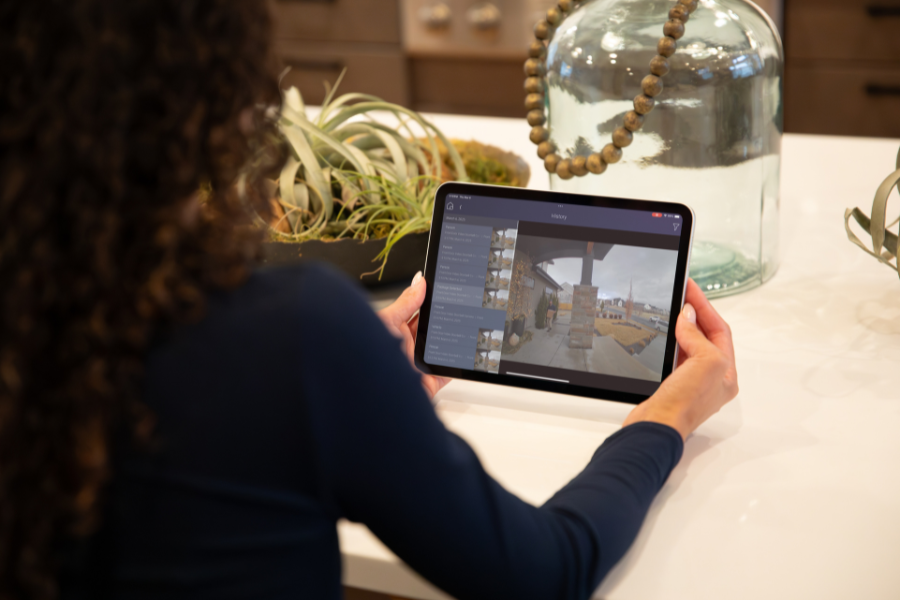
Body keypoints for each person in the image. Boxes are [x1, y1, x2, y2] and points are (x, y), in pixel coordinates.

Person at [0, 2, 738, 600]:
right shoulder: (290, 335)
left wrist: (351, 380)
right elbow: (547, 571)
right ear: (213, 101)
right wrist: (667, 415)